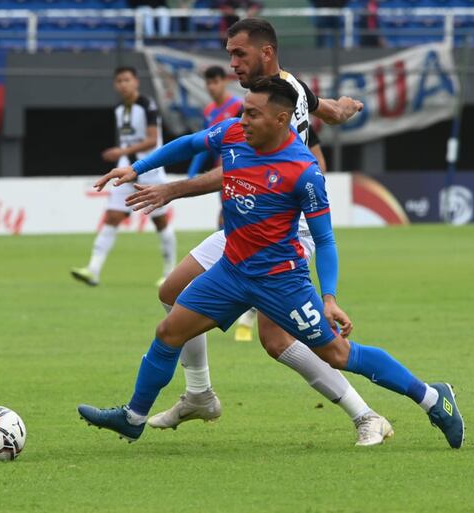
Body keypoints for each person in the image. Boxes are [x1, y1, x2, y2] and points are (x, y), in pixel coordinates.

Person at [77, 77, 465, 449]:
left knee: (339, 354)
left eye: (252, 115)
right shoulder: (233, 134)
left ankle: (434, 398)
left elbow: (326, 239)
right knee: (168, 332)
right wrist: (137, 169)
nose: (242, 121)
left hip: (281, 282)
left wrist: (329, 297)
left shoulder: (304, 172)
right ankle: (133, 417)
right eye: (243, 112)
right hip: (231, 271)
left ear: (281, 120)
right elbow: (191, 143)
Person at [128, 18, 383, 446]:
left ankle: (365, 415)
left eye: (238, 54)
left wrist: (172, 189)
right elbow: (331, 113)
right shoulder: (288, 91)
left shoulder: (275, 101)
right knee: (172, 292)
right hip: (246, 225)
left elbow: (236, 170)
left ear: (265, 52)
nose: (232, 64)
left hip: (283, 227)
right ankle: (198, 394)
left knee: (276, 338)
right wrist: (346, 105)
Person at [71, 66, 176, 287]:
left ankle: (170, 273)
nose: (123, 84)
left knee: (160, 222)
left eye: (127, 80)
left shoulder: (147, 105)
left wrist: (121, 152)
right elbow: (129, 141)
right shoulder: (119, 109)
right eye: (119, 81)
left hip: (150, 171)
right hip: (126, 171)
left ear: (136, 82)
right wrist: (122, 154)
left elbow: (152, 140)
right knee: (111, 217)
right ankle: (93, 270)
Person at [187, 65, 243, 179]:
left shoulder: (239, 107)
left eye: (215, 82)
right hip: (220, 173)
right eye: (208, 83)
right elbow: (205, 143)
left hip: (239, 170)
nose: (212, 87)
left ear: (225, 81)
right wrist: (191, 173)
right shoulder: (208, 111)